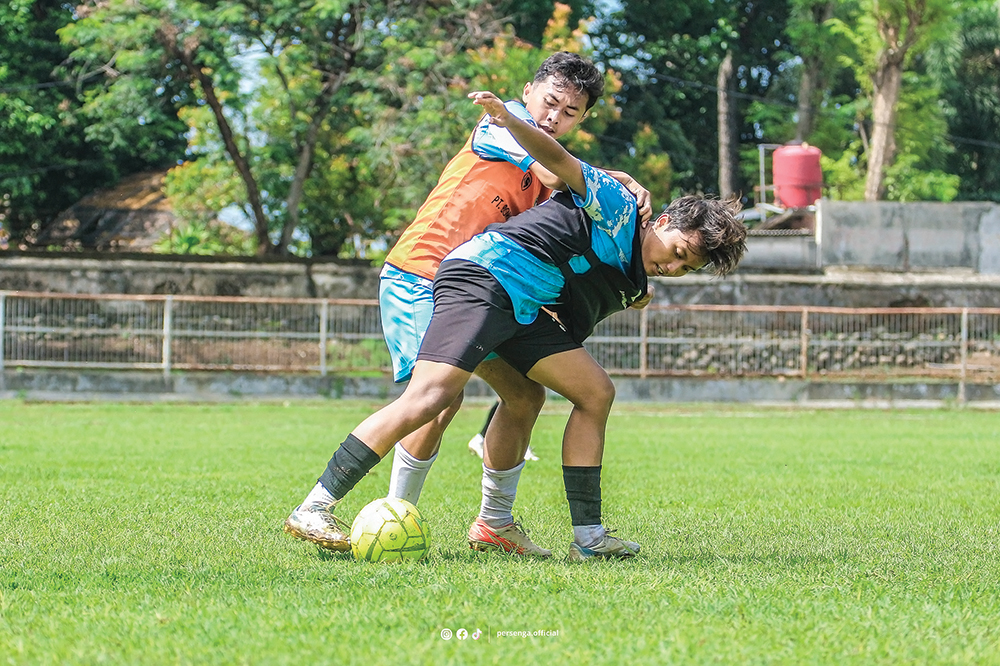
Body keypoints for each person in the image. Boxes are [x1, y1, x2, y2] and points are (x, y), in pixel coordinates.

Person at [281, 87, 747, 561]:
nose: (673, 267)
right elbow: (558, 161)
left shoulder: (635, 279)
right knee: (433, 396)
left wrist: (638, 290)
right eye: (677, 253)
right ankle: (315, 506)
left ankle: (540, 532)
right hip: (486, 276)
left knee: (571, 393)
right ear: (663, 221)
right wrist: (508, 120)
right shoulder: (617, 203)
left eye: (686, 269)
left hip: (524, 305)